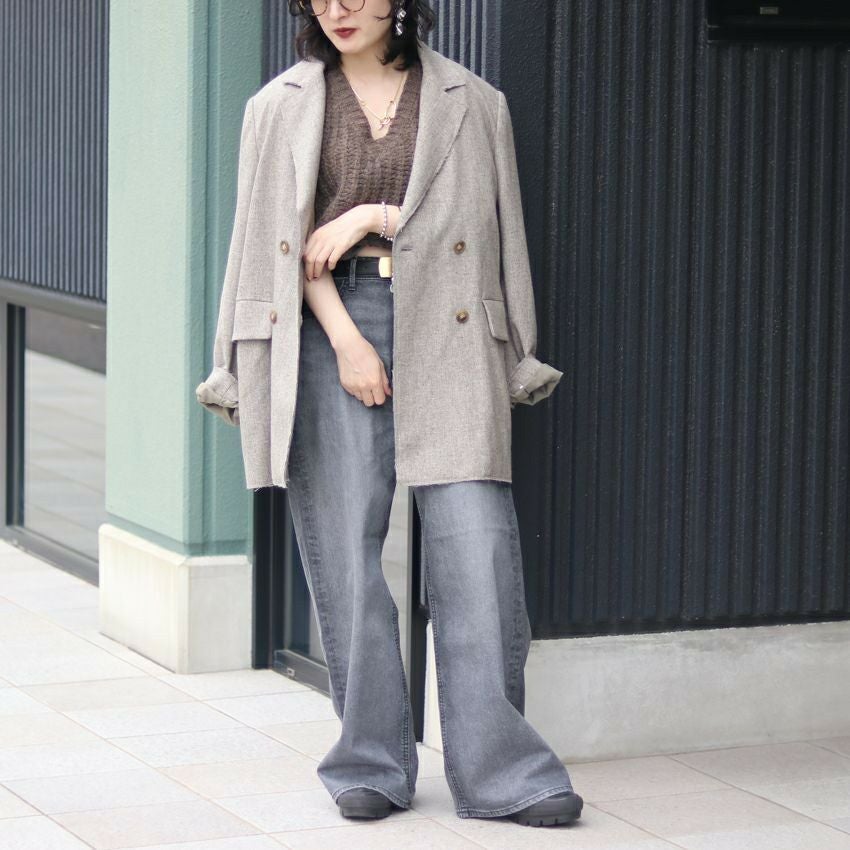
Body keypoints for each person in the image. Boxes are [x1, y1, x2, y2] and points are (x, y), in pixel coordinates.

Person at [202, 0, 583, 828]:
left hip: (451, 320)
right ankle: (371, 759)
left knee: (476, 547)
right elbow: (275, 244)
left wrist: (373, 217)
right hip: (330, 324)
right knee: (346, 550)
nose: (338, 8)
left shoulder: (472, 102)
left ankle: (503, 771)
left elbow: (491, 231)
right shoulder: (277, 106)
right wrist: (346, 340)